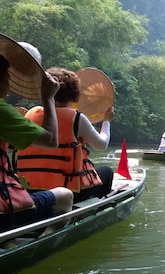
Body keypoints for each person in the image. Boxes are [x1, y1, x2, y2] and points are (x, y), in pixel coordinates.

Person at [0, 35, 73, 233]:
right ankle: (38, 248)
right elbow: (51, 141)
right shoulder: (2, 111)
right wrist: (48, 98)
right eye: (7, 75)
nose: (9, 80)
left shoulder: (15, 115)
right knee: (65, 196)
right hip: (2, 211)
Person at [17, 67, 114, 203]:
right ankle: (94, 208)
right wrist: (106, 121)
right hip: (70, 191)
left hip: (30, 188)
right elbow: (101, 145)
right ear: (75, 94)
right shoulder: (76, 118)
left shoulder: (31, 114)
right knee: (107, 172)